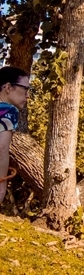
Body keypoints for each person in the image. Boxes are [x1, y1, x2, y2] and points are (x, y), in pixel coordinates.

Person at [0, 65, 31, 205]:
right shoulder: (7, 110)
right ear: (8, 87)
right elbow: (1, 148)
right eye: (25, 89)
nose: (27, 95)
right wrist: (1, 183)